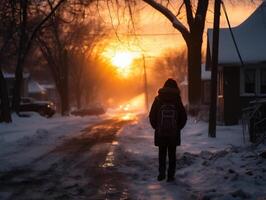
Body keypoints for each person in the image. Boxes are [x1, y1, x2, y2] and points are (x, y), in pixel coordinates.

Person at [149, 78, 187, 182]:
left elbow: (152, 115)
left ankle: (161, 174)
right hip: (173, 134)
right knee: (172, 154)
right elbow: (183, 116)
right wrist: (177, 127)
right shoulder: (177, 99)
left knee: (162, 154)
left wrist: (156, 127)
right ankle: (170, 176)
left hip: (161, 133)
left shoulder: (158, 99)